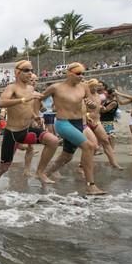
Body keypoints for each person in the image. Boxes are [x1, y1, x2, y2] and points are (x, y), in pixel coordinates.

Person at [0, 61, 59, 190]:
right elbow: (2, 103)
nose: (30, 73)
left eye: (31, 70)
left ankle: (40, 172)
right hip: (12, 133)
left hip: (27, 130)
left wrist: (35, 116)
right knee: (4, 167)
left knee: (53, 141)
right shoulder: (12, 87)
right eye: (26, 70)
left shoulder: (31, 88)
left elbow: (26, 107)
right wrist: (23, 99)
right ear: (17, 72)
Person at [43, 63, 104, 195]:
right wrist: (36, 115)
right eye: (78, 73)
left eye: (83, 73)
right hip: (63, 123)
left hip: (78, 123)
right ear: (69, 73)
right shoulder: (56, 87)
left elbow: (92, 107)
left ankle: (44, 174)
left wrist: (91, 105)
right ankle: (91, 185)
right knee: (89, 147)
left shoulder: (84, 87)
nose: (81, 76)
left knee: (67, 156)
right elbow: (39, 99)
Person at [84, 79, 122, 169]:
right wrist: (87, 115)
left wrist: (101, 107)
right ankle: (82, 164)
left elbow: (99, 107)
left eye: (97, 86)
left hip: (97, 121)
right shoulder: (84, 95)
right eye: (93, 86)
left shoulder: (99, 96)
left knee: (106, 141)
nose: (96, 87)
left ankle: (113, 163)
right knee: (90, 145)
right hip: (85, 122)